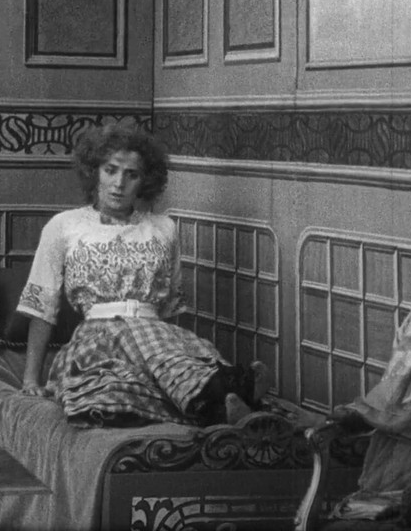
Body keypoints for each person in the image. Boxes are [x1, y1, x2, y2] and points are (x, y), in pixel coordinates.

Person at [16, 122, 269, 427]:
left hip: (155, 336)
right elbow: (42, 308)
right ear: (94, 171)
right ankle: (224, 397)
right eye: (110, 170)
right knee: (108, 395)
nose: (119, 184)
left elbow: (169, 310)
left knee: (174, 361)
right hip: (98, 340)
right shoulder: (63, 226)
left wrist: (166, 345)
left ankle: (224, 401)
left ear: (144, 181)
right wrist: (31, 379)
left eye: (131, 174)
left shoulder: (164, 228)